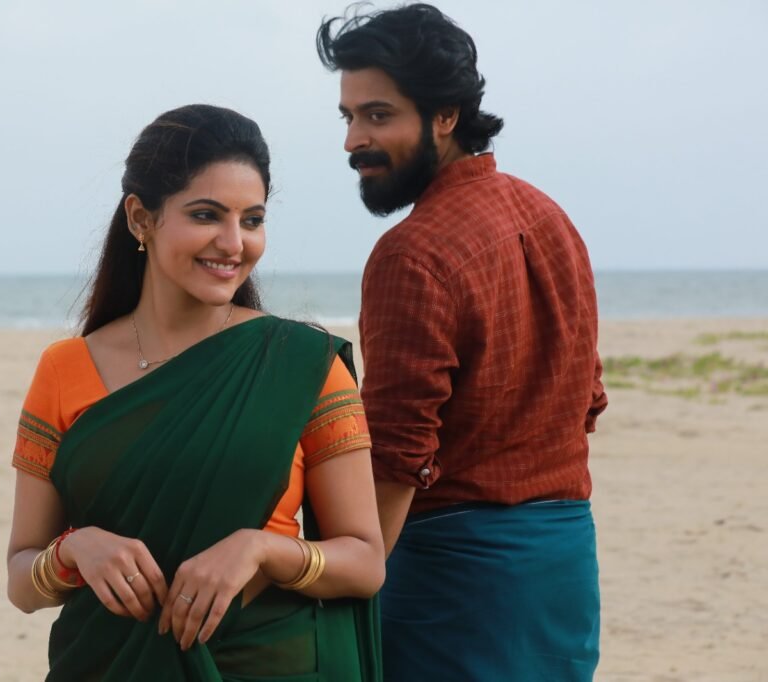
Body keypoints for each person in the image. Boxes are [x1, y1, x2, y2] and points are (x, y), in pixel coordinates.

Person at [5, 104, 385, 681]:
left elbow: (364, 561)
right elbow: (21, 579)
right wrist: (75, 549)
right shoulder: (65, 369)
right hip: (110, 665)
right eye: (206, 215)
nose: (233, 243)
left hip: (271, 664)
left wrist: (260, 549)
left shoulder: (299, 364)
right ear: (141, 218)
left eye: (252, 220)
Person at [317, 6, 608, 681]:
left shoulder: (411, 253)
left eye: (378, 115)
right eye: (349, 116)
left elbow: (395, 455)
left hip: (453, 581)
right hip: (565, 566)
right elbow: (588, 398)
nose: (354, 140)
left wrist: (347, 576)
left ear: (445, 116)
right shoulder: (551, 217)